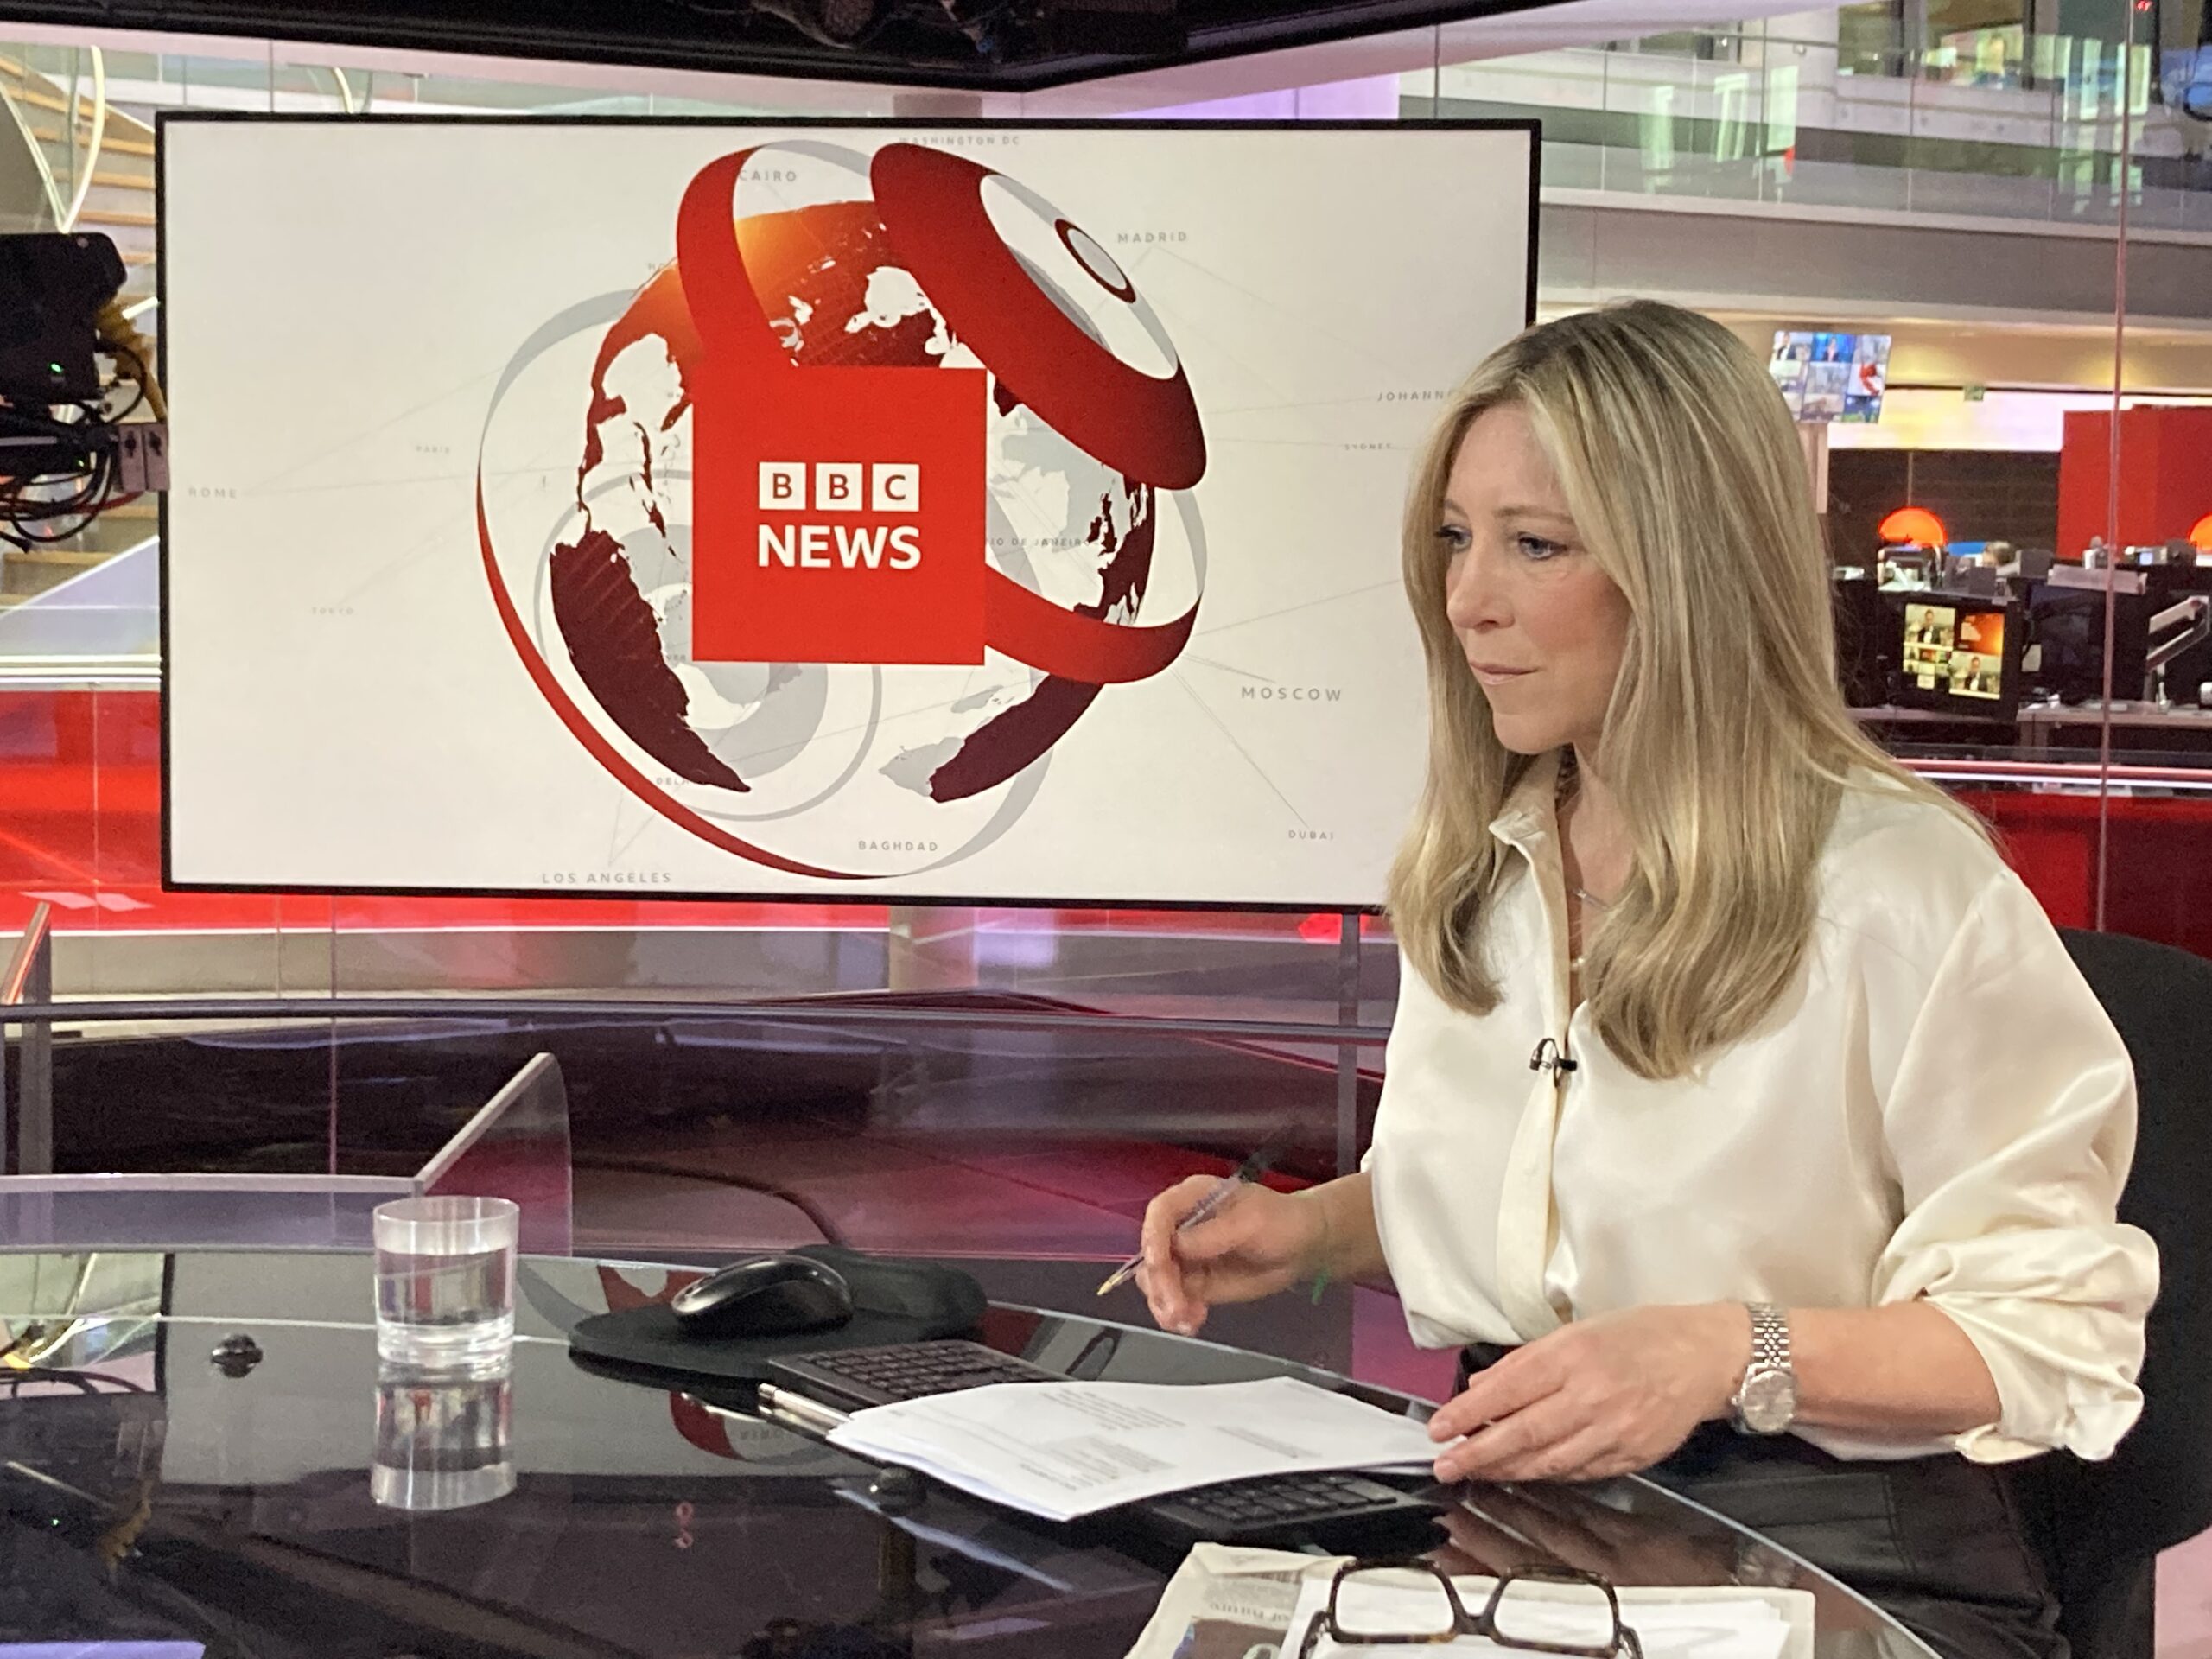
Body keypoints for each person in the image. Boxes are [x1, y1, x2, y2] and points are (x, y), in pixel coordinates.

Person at [1134, 301, 2156, 1658]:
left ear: (1690, 572)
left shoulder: (1902, 890)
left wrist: (1726, 1351)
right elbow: (1553, 1216)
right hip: (1518, 1517)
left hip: (1835, 1554)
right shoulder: (1481, 866)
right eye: (1457, 537)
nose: (1467, 599)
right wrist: (1312, 1234)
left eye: (1535, 545)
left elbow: (2054, 1342)